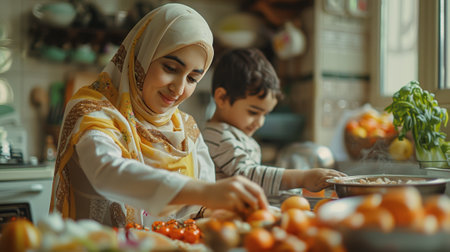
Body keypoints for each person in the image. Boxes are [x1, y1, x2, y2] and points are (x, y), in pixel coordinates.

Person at [49, 3, 268, 228]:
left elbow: (198, 212)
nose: (179, 89)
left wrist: (223, 212)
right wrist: (206, 192)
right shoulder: (92, 111)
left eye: (192, 78)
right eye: (171, 68)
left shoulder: (185, 129)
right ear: (141, 57)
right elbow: (108, 171)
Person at [202, 48, 346, 197]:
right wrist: (302, 178)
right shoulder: (218, 136)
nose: (260, 122)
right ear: (222, 98)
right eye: (253, 112)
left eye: (265, 114)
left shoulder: (231, 134)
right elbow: (248, 176)